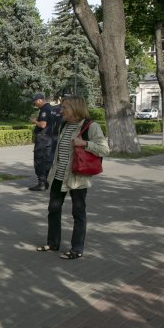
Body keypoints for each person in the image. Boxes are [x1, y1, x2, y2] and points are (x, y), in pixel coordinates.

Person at [35, 96, 109, 260]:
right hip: (58, 176)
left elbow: (105, 150)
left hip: (78, 177)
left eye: (65, 108)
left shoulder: (91, 126)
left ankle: (77, 249)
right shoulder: (64, 125)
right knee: (53, 210)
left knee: (78, 213)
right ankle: (53, 243)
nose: (61, 111)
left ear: (75, 109)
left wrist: (85, 144)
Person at [29, 92, 61, 191]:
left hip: (43, 139)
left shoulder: (44, 110)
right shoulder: (52, 109)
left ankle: (41, 183)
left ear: (39, 100)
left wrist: (34, 121)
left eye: (35, 102)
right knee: (47, 160)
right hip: (50, 138)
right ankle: (45, 181)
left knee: (39, 160)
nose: (35, 104)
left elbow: (43, 124)